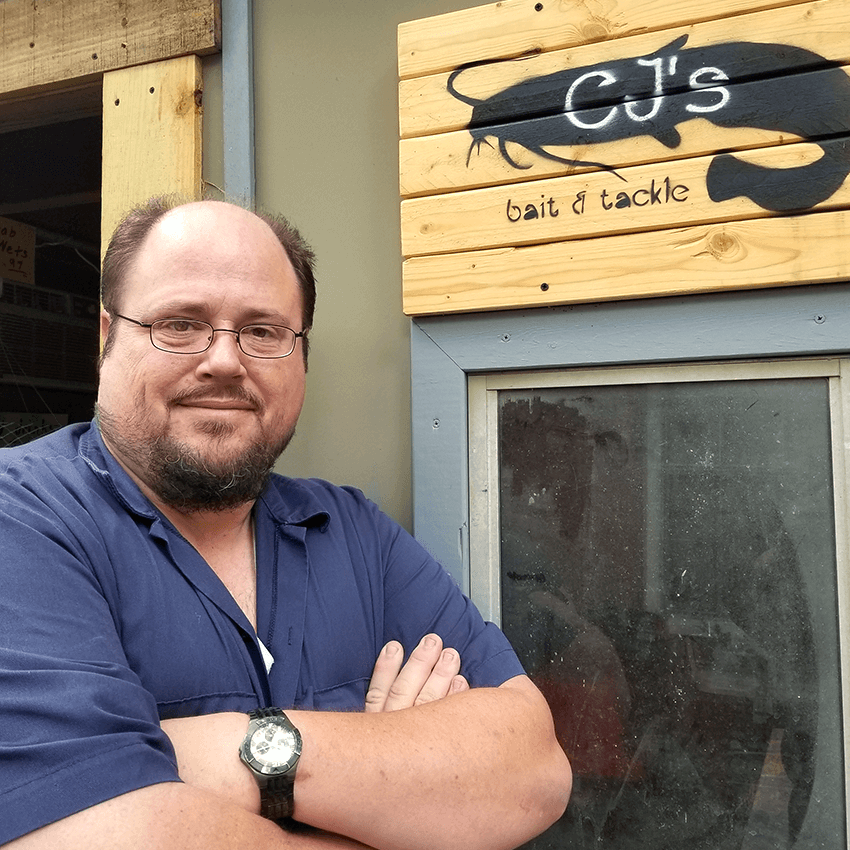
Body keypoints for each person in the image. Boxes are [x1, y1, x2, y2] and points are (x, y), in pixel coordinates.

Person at [0, 198, 571, 850]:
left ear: (301, 358)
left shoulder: (354, 533)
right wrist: (392, 796)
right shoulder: (22, 520)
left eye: (263, 331)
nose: (222, 359)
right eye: (180, 324)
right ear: (106, 339)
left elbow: (534, 770)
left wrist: (233, 750)